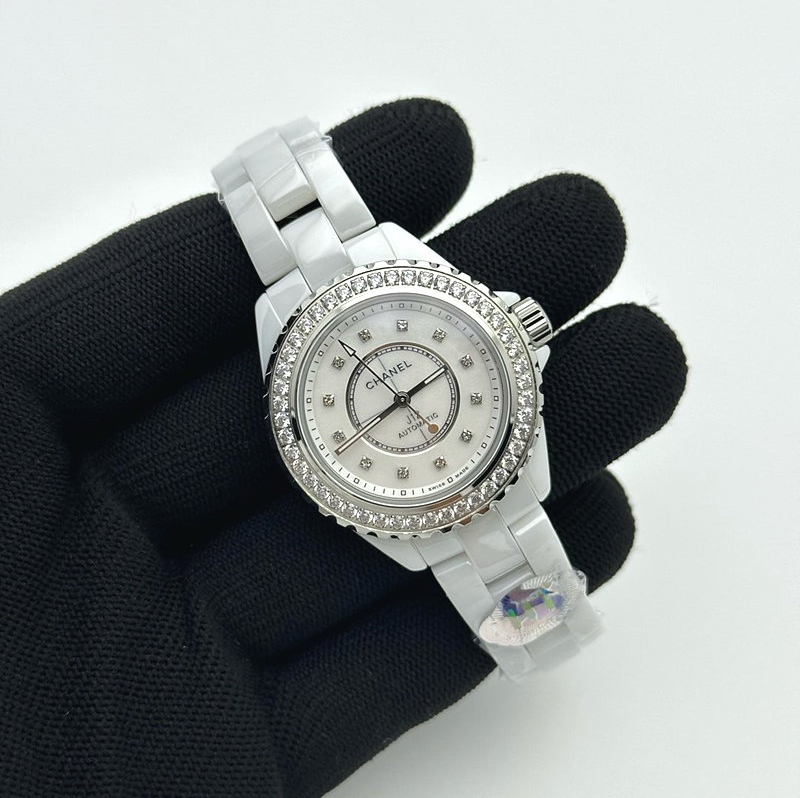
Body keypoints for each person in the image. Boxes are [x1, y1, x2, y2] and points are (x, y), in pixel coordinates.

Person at [0, 98, 687, 797]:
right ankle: (541, 627)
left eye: (411, 392)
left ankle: (543, 627)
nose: (401, 400)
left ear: (516, 332)